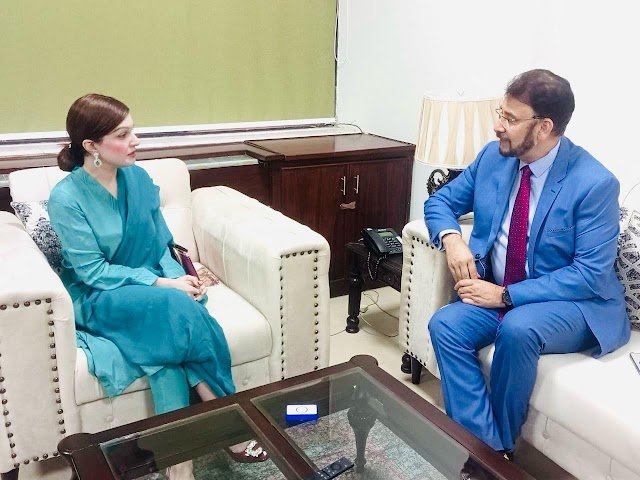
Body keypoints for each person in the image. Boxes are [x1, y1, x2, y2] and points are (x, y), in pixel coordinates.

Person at [49, 94, 268, 478]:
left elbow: (161, 244)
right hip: (99, 294)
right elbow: (92, 272)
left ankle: (178, 464)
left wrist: (183, 277)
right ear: (91, 146)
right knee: (175, 309)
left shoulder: (137, 178)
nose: (135, 141)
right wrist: (164, 284)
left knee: (166, 351)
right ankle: (229, 425)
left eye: (133, 131)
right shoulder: (66, 198)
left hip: (150, 285)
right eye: (123, 135)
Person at [424, 70, 630, 471]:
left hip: (575, 303)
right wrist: (452, 239)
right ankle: (491, 452)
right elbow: (441, 202)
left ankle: (489, 457)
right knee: (446, 325)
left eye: (511, 118)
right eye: (500, 113)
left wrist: (504, 296)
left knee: (519, 327)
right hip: (501, 290)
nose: (498, 125)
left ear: (544, 126)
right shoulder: (493, 158)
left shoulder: (594, 183)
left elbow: (589, 274)